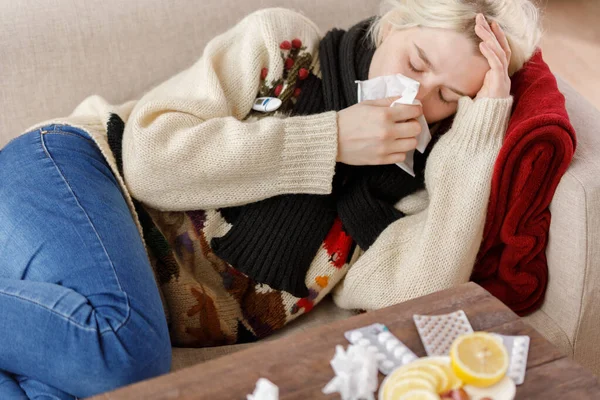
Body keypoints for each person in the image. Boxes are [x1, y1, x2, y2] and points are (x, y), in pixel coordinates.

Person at [0, 0, 541, 398]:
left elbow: (423, 296)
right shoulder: (286, 50)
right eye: (417, 63)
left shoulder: (401, 189)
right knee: (126, 356)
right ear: (394, 22)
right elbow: (149, 162)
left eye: (451, 97)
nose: (420, 98)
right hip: (78, 169)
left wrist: (480, 133)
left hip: (87, 294)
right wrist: (329, 141)